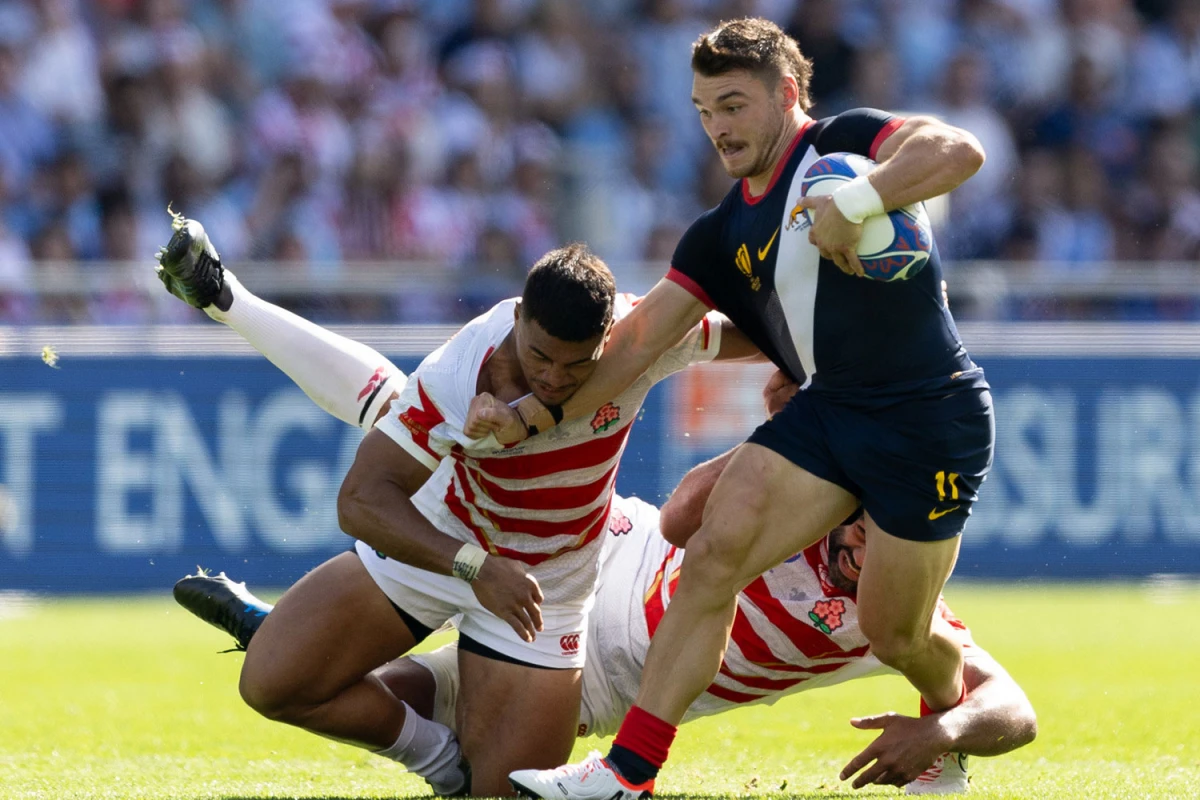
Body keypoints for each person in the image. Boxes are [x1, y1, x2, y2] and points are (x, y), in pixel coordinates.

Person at [464, 19, 996, 799]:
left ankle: (946, 736)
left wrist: (862, 198)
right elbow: (640, 341)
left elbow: (961, 150)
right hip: (832, 412)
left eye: (734, 104)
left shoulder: (841, 144)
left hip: (931, 421)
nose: (717, 127)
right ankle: (627, 774)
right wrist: (537, 416)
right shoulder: (719, 236)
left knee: (897, 632)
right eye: (704, 109)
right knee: (711, 555)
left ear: (787, 94)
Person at [154, 213, 758, 796]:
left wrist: (812, 371)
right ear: (518, 318)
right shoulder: (461, 370)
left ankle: (224, 296)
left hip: (549, 583)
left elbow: (760, 331)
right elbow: (360, 501)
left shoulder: (639, 337)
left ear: (608, 340)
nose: (552, 379)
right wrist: (475, 565)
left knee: (502, 793)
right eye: (540, 356)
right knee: (271, 682)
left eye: (578, 366)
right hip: (451, 534)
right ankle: (441, 760)